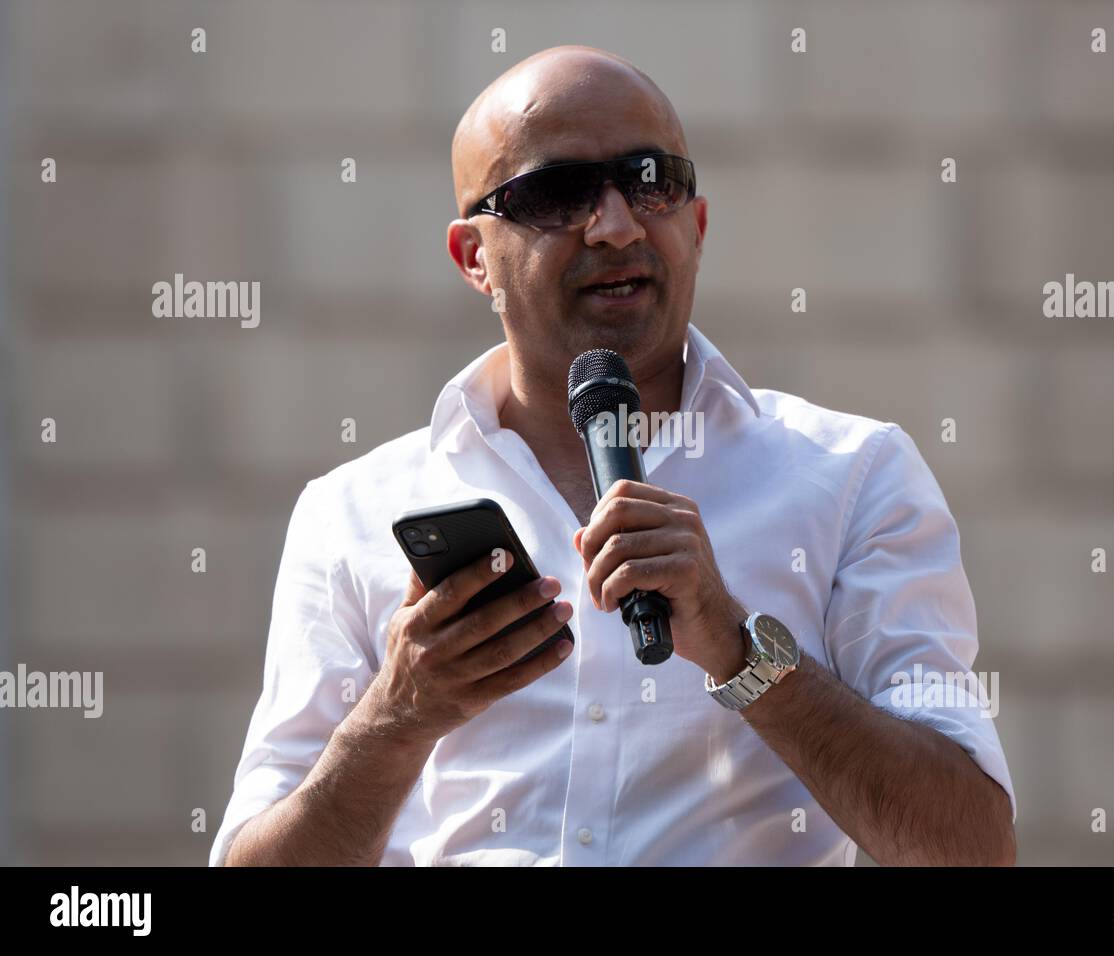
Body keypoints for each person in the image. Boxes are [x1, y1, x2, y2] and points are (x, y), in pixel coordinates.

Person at [212, 45, 1016, 867]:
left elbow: (973, 850)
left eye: (650, 180)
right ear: (473, 258)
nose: (618, 224)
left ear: (695, 226)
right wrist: (397, 717)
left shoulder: (851, 475)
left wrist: (740, 647)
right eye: (559, 193)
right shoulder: (351, 512)